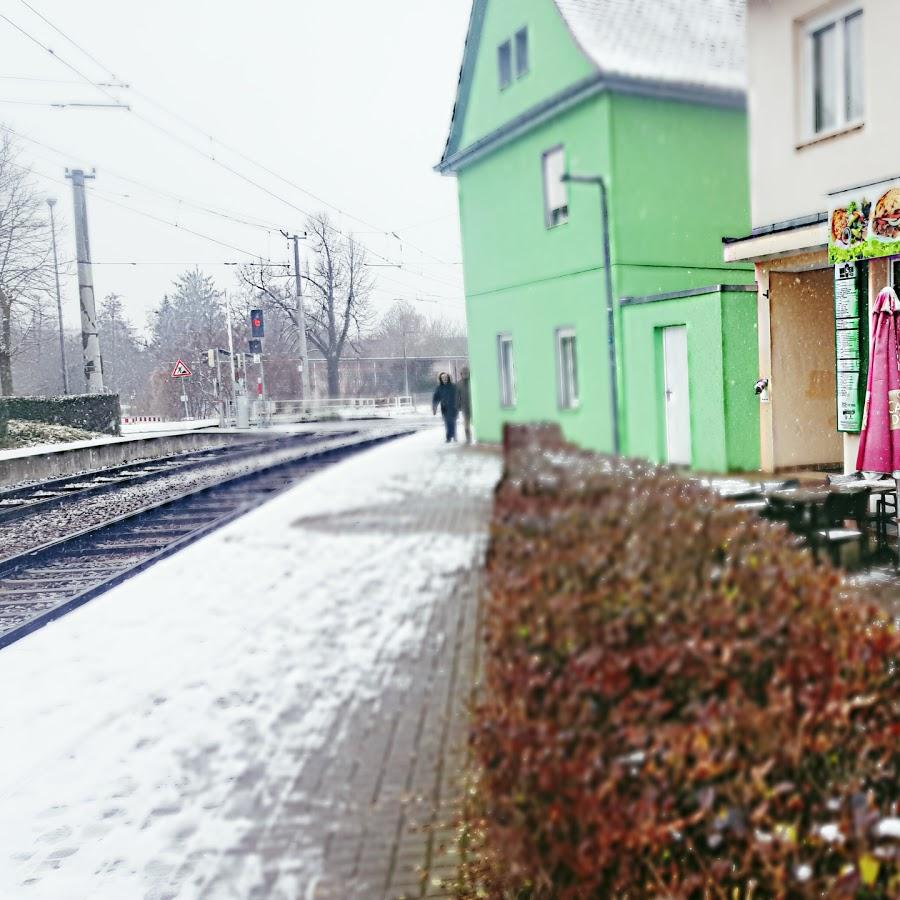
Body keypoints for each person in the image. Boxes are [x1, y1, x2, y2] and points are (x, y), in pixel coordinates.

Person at [432, 372, 459, 443]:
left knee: (452, 422)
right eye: (443, 378)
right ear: (440, 379)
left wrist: (459, 404)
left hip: (453, 407)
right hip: (445, 408)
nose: (445, 379)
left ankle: (453, 435)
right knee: (447, 422)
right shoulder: (439, 388)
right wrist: (434, 408)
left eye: (446, 377)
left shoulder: (453, 387)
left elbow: (459, 396)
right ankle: (449, 437)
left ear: (449, 378)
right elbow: (435, 398)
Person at [458, 367, 472, 444]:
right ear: (461, 374)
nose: (465, 374)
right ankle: (468, 438)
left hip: (474, 407)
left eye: (467, 373)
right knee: (466, 424)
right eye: (464, 373)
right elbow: (457, 396)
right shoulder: (459, 384)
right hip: (465, 407)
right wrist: (458, 406)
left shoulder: (473, 382)